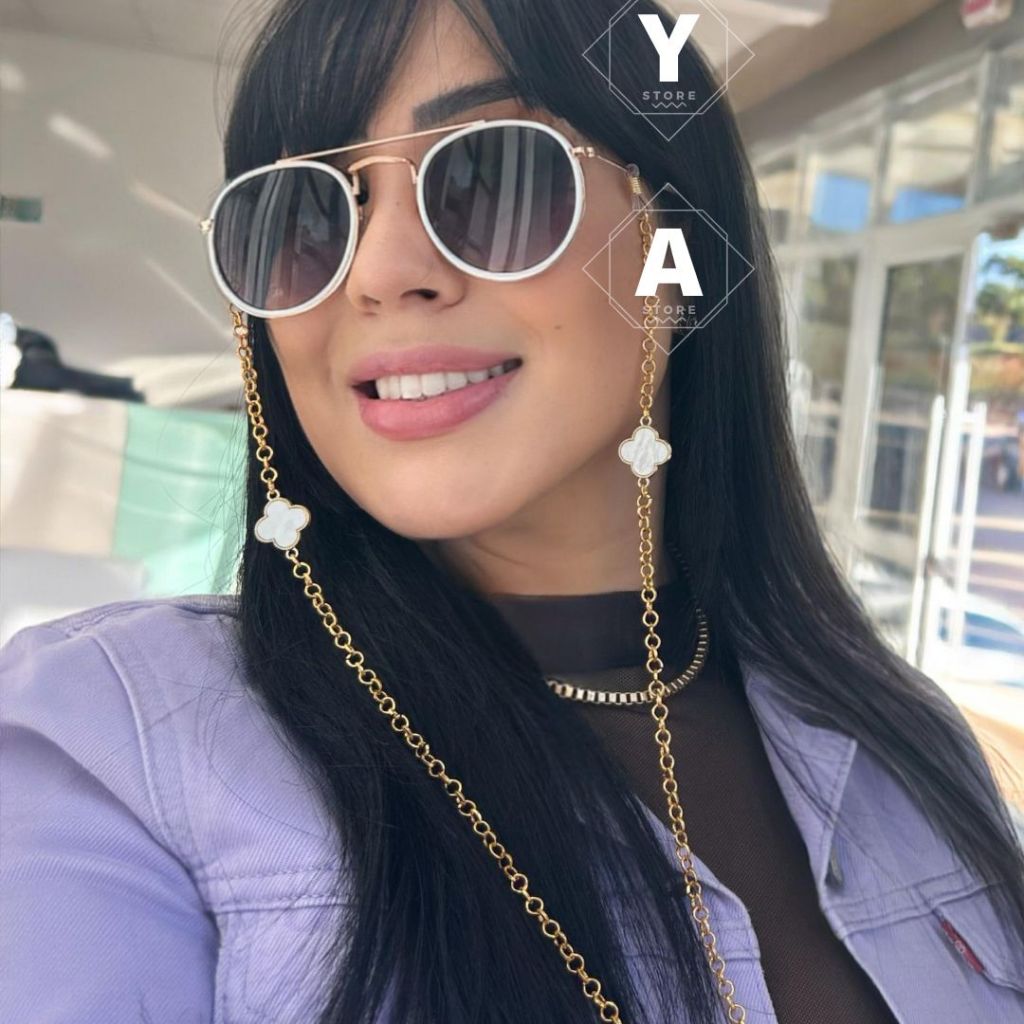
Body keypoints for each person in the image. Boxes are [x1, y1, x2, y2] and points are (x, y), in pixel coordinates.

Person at [3, 2, 1024, 1022]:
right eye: (306, 216)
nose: (378, 273)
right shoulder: (108, 744)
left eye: (491, 176)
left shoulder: (907, 741)